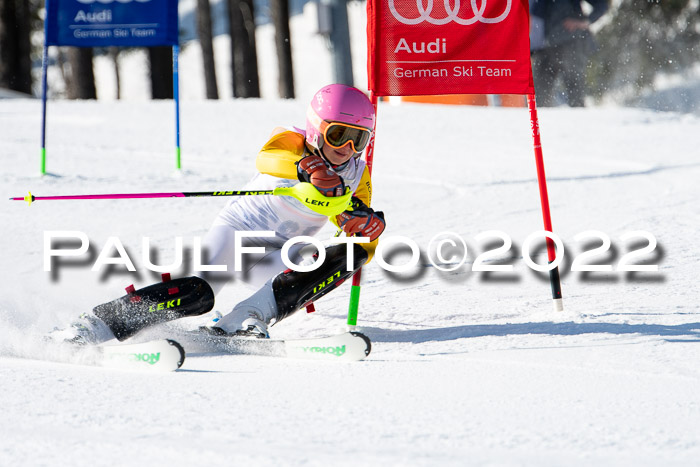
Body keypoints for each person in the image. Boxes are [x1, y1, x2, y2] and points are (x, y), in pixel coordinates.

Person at [50, 84, 386, 344]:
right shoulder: (292, 141)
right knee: (198, 294)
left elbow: (349, 213)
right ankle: (94, 324)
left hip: (283, 253)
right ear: (316, 128)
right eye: (338, 135)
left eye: (359, 139)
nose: (348, 148)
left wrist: (364, 226)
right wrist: (305, 166)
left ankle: (246, 317)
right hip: (238, 234)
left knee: (352, 254)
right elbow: (268, 159)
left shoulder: (357, 172)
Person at [530, 0, 608, 107]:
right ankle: (544, 122)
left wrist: (585, 22)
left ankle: (580, 121)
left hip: (571, 42)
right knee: (541, 95)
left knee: (575, 91)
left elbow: (601, 4)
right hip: (545, 47)